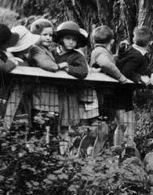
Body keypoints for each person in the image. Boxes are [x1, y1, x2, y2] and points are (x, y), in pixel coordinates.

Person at [86, 24, 133, 155]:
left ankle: (98, 159)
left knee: (106, 131)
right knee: (102, 133)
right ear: (111, 41)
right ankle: (93, 160)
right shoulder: (99, 52)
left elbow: (109, 60)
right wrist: (121, 78)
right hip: (102, 96)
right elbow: (106, 64)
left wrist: (119, 53)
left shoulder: (100, 51)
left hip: (107, 96)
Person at [111, 25, 153, 158]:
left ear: (133, 38)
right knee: (122, 124)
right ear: (151, 42)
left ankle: (129, 149)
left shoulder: (133, 52)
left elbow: (142, 68)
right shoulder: (136, 56)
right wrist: (140, 78)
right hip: (119, 92)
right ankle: (118, 154)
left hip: (126, 93)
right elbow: (127, 72)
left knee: (130, 122)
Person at [51, 20, 93, 152]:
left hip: (68, 95)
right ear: (61, 39)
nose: (70, 42)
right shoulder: (52, 53)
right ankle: (51, 153)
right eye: (68, 38)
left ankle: (65, 154)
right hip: (52, 93)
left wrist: (67, 68)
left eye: (74, 40)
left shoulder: (77, 56)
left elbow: (83, 71)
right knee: (51, 125)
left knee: (65, 125)